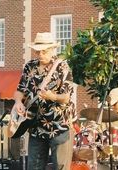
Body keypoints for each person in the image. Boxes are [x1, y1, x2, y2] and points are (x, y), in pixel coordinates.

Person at [12, 32, 75, 170]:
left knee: (61, 167)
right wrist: (18, 102)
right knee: (33, 167)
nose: (40, 54)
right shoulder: (30, 66)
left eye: (44, 51)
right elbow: (19, 90)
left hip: (59, 126)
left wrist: (52, 97)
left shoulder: (62, 67)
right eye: (38, 51)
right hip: (35, 126)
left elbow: (66, 97)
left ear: (53, 49)